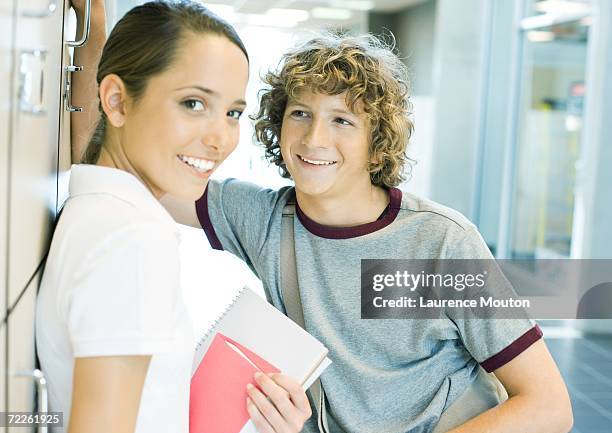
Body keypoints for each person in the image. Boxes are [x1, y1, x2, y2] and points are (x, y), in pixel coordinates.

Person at [73, 12, 573, 433]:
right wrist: (94, 32)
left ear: (378, 139)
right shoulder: (259, 218)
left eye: (342, 120)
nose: (314, 139)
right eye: (300, 113)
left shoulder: (442, 241)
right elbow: (114, 164)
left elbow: (549, 405)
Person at [37, 2, 310, 433]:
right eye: (193, 103)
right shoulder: (131, 240)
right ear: (116, 101)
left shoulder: (99, 210)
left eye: (232, 113)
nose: (220, 138)